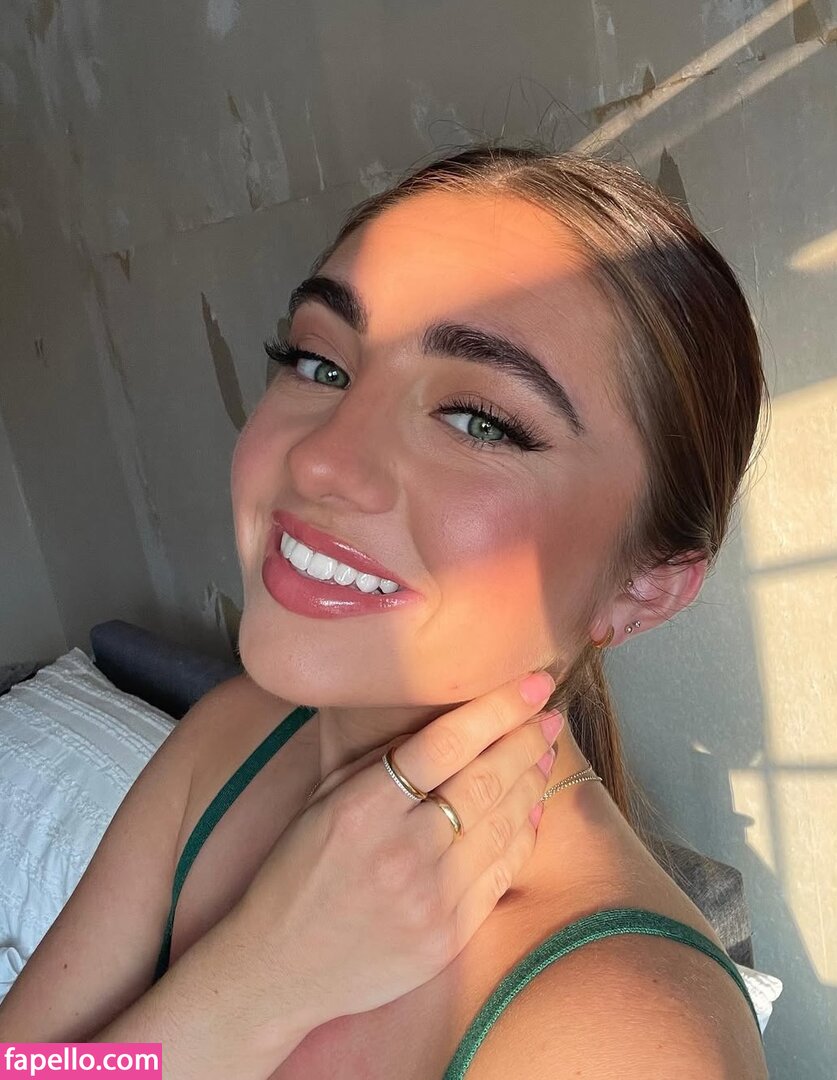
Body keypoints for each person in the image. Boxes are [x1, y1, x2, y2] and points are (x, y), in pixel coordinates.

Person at [0, 143, 770, 1078]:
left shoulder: (626, 1037)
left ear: (644, 586)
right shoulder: (232, 737)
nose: (319, 459)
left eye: (479, 421)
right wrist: (261, 979)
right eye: (320, 363)